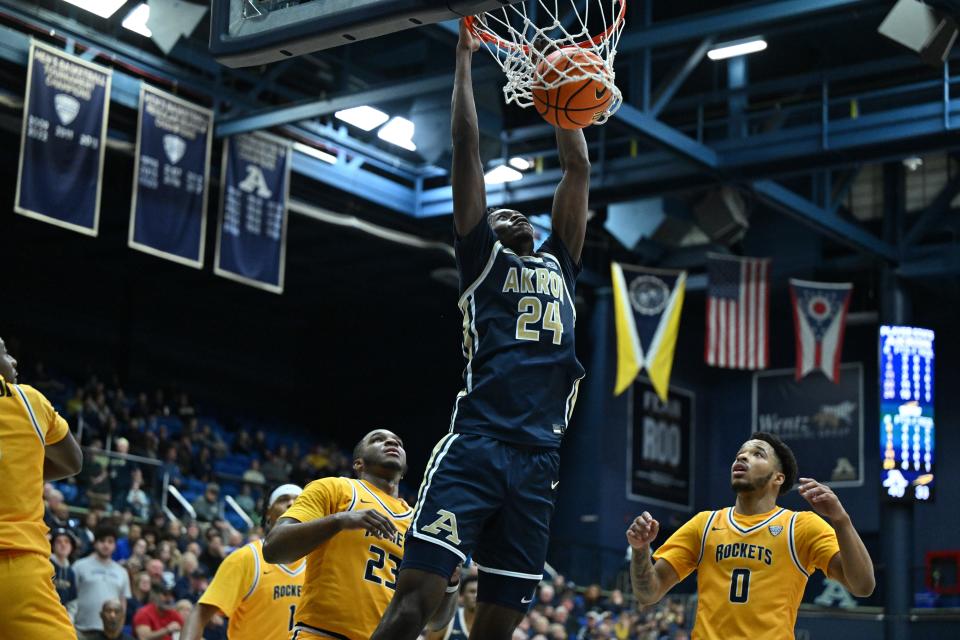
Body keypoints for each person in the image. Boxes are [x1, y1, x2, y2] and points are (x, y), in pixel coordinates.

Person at [371, 18, 589, 640]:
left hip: (540, 459)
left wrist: (563, 91)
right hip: (479, 444)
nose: (510, 209)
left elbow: (575, 171)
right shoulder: (481, 263)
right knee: (414, 602)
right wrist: (466, 62)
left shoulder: (561, 264)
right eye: (497, 211)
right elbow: (467, 147)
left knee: (498, 625)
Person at [626, 432, 875, 639]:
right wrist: (640, 550)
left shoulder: (801, 527)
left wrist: (841, 521)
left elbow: (863, 585)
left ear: (779, 477)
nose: (743, 456)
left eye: (758, 454)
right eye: (740, 454)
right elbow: (649, 593)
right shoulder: (704, 524)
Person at [263, 429, 459, 639]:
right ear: (358, 463)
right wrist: (340, 521)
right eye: (378, 439)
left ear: (404, 471)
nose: (391, 442)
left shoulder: (420, 523)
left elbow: (435, 622)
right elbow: (273, 549)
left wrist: (452, 584)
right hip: (322, 634)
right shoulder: (334, 488)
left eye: (398, 443)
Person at [0, 336, 84, 639]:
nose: (14, 361)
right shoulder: (28, 401)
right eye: (5, 353)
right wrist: (20, 473)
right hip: (17, 568)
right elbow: (74, 461)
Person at [182, 484, 306, 640]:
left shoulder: (320, 562)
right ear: (268, 513)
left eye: (298, 500)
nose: (291, 503)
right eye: (283, 500)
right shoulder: (245, 558)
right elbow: (200, 613)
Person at [74, 524, 133, 637]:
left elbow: (123, 603)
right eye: (102, 541)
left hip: (110, 633)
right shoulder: (79, 566)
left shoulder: (122, 572)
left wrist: (119, 628)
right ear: (95, 543)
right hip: (82, 629)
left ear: (115, 546)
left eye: (110, 542)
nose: (106, 545)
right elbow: (70, 598)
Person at [426, 573, 478, 640]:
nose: (476, 596)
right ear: (461, 597)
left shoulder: (491, 623)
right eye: (472, 591)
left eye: (479, 592)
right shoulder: (446, 621)